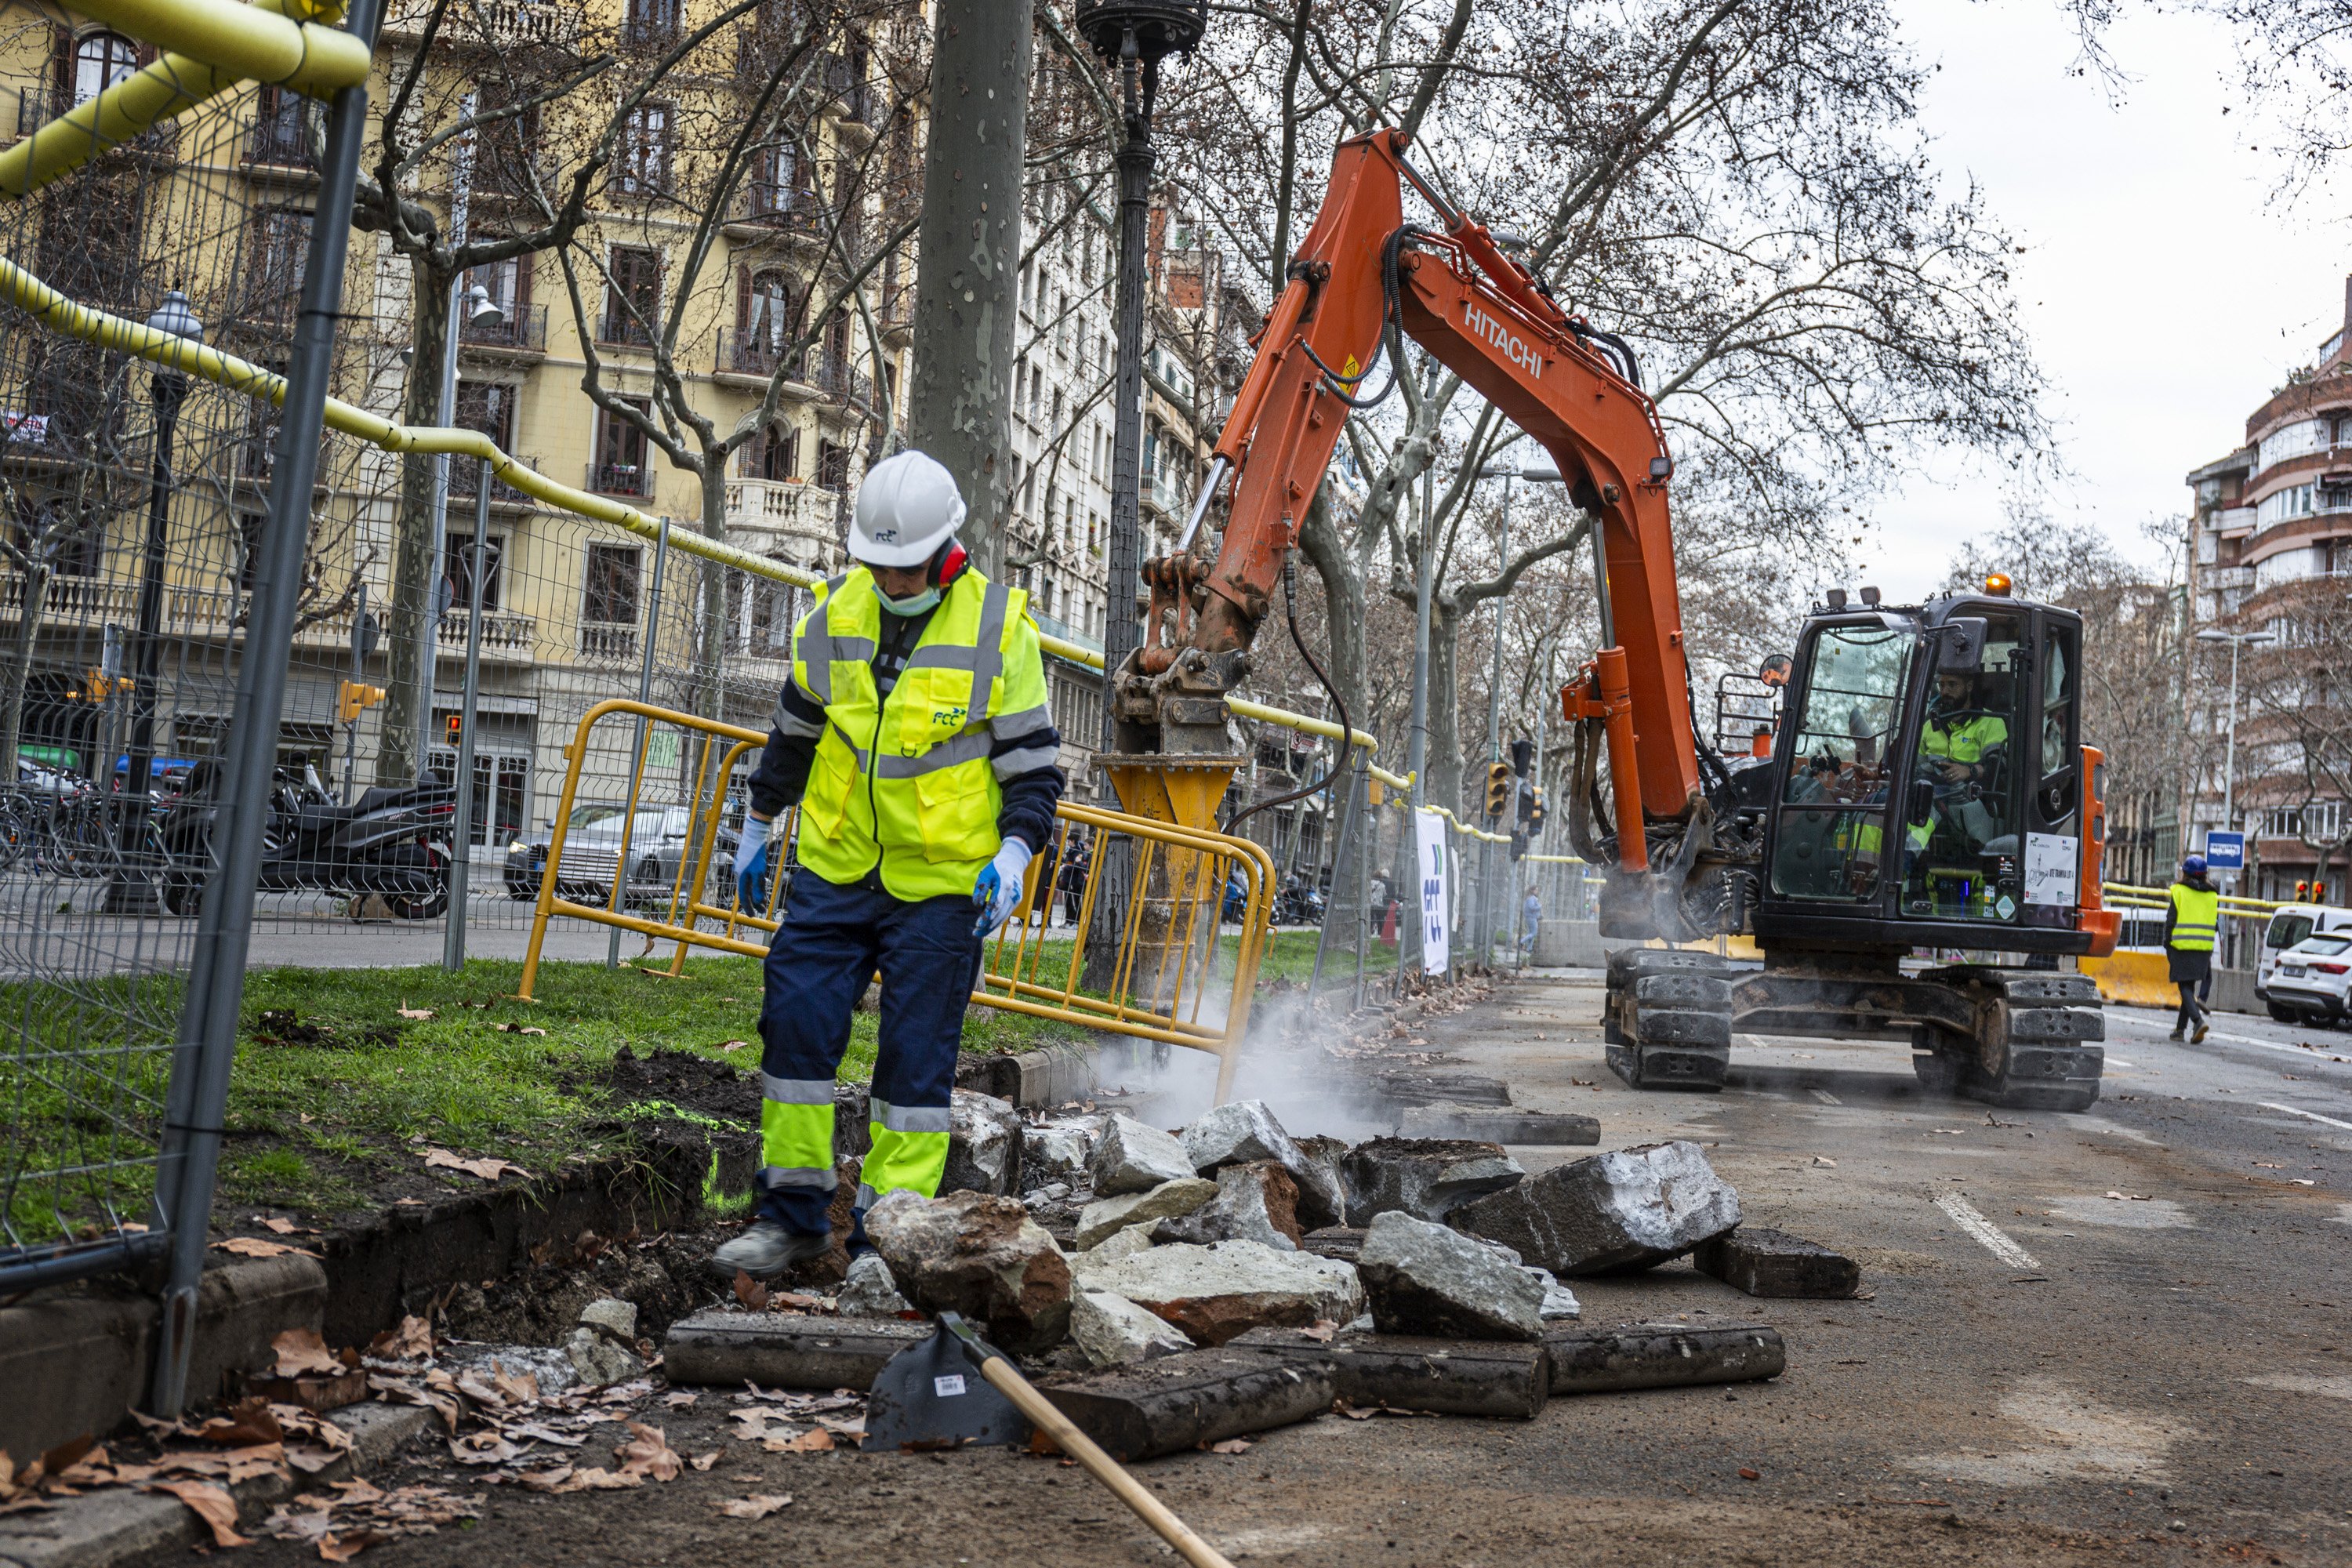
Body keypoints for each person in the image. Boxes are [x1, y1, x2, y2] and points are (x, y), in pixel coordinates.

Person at [713, 451, 1065, 1279]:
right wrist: (758, 822)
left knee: (914, 1067)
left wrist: (1016, 853)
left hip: (944, 886)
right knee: (795, 1024)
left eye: (904, 568)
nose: (891, 580)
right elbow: (796, 729)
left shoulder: (999, 629)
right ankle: (793, 1217)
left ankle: (885, 1236)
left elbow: (1034, 771)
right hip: (837, 866)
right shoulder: (836, 610)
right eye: (877, 565)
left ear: (947, 552)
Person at [2165, 854, 2220, 1044]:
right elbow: (2214, 923)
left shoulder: (2179, 891)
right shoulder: (2213, 895)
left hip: (2182, 946)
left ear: (2185, 874)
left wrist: (2167, 943)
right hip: (2204, 948)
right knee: (2188, 987)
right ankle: (2180, 1030)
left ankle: (2197, 1021)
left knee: (2184, 986)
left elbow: (2170, 920)